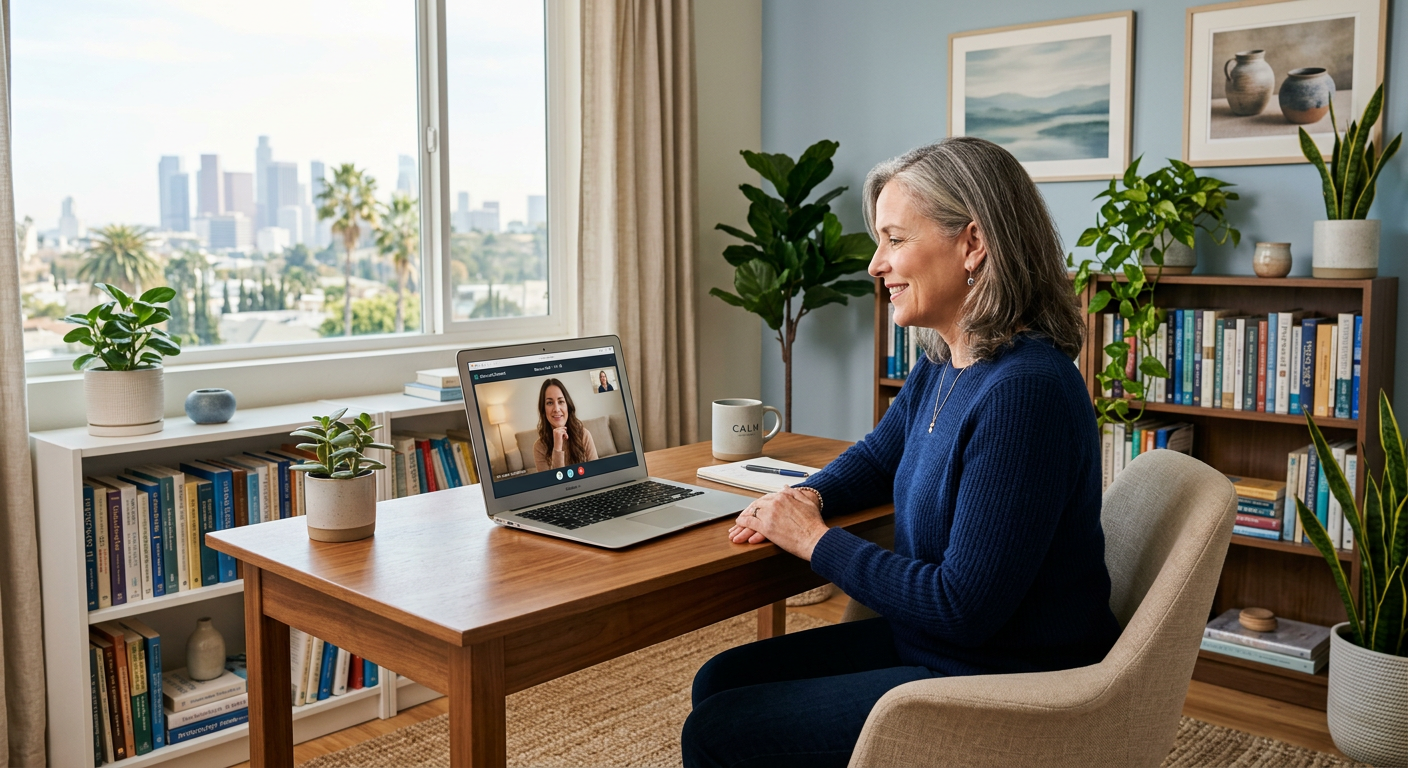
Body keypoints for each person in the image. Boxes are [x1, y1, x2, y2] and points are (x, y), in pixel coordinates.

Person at [681, 137, 1122, 768]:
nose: (874, 264)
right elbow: (879, 456)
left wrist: (813, 539)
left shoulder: (1025, 392)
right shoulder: (947, 360)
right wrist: (807, 496)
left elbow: (962, 607)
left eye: (894, 239)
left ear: (973, 244)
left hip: (1004, 679)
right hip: (935, 647)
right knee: (720, 681)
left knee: (718, 732)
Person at [532, 378, 600, 472]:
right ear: (543, 409)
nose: (556, 409)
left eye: (561, 401)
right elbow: (553, 485)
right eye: (550, 403)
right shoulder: (539, 447)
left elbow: (596, 473)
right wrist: (557, 448)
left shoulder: (584, 435)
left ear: (567, 405)